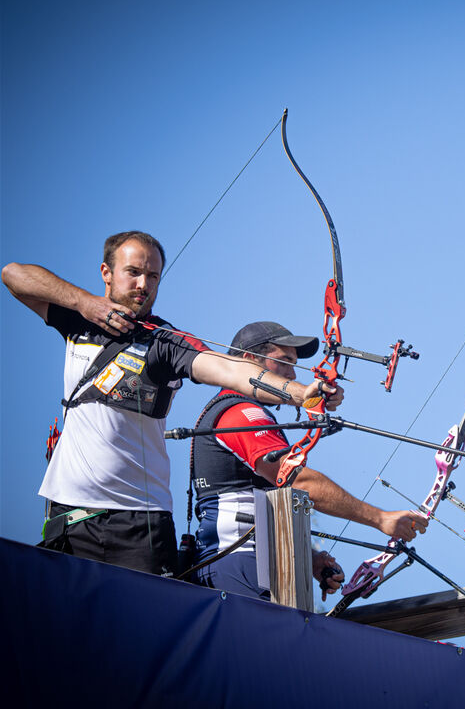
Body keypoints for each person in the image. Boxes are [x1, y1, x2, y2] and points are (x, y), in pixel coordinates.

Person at [2, 231, 343, 576]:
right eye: (133, 272)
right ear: (106, 272)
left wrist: (301, 393)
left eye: (152, 276)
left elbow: (230, 370)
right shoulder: (78, 320)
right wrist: (83, 303)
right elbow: (13, 275)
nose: (143, 284)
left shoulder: (164, 342)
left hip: (140, 522)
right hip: (71, 514)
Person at [190, 320, 426, 601]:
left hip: (260, 563)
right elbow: (296, 479)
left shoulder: (243, 411)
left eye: (294, 364)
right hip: (238, 563)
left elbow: (269, 499)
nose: (292, 373)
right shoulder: (239, 412)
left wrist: (310, 557)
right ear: (248, 362)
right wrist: (380, 518)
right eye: (284, 361)